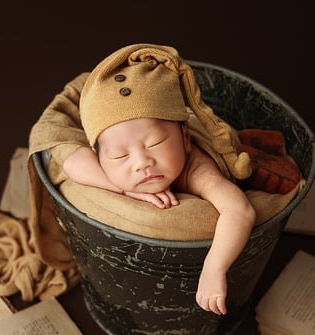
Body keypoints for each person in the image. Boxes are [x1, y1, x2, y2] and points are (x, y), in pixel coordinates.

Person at [61, 43, 256, 315]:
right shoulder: (98, 161)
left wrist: (214, 268)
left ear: (185, 139)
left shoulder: (197, 168)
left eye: (156, 143)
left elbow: (239, 209)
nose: (142, 162)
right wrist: (123, 190)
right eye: (119, 156)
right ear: (100, 157)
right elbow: (69, 162)